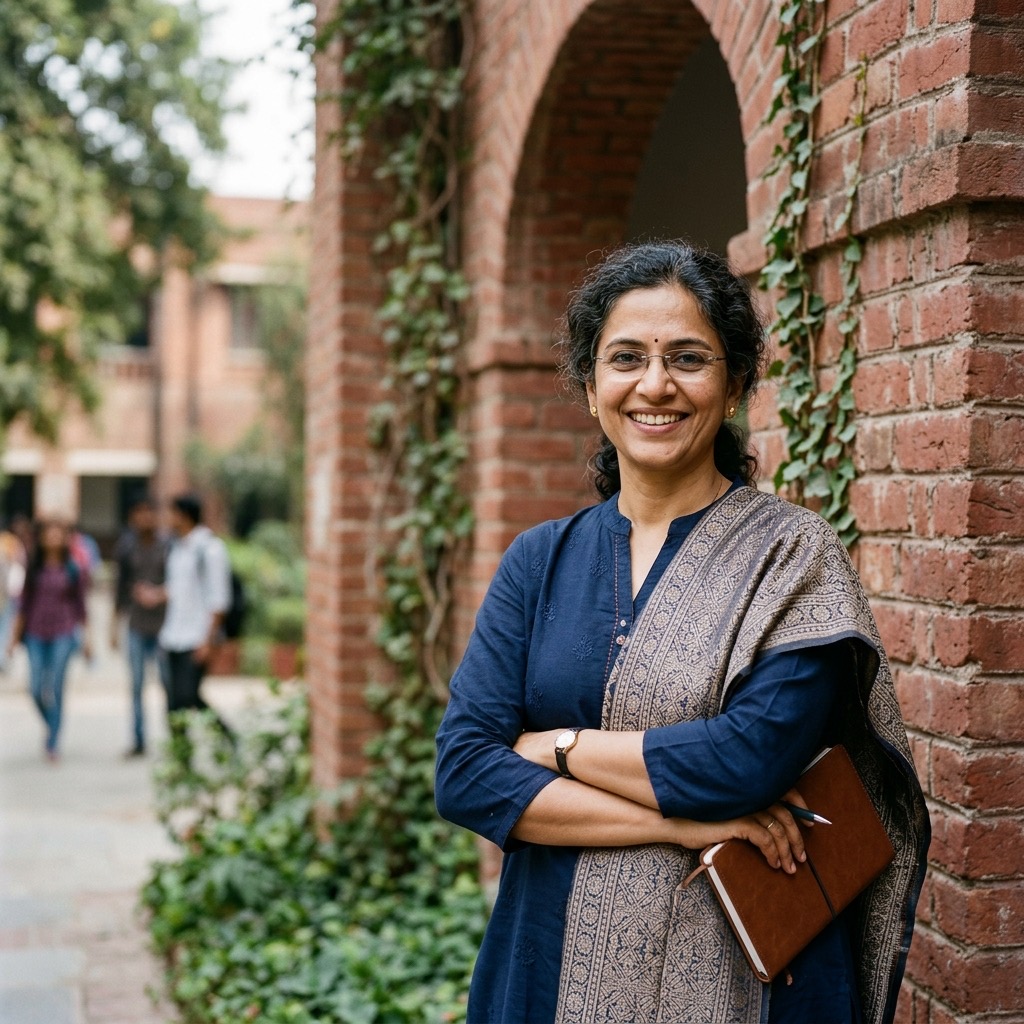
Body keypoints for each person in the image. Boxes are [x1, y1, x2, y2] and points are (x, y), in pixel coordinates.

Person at [435, 241, 930, 1024]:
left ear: (733, 386)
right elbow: (464, 773)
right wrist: (683, 821)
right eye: (626, 358)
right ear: (592, 388)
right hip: (545, 966)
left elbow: (746, 762)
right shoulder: (539, 561)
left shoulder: (792, 555)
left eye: (688, 358)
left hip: (745, 980)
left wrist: (556, 747)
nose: (655, 384)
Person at [8, 519, 90, 761]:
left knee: (55, 687)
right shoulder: (33, 568)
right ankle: (50, 722)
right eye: (49, 533)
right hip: (35, 632)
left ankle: (52, 741)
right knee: (34, 688)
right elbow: (22, 605)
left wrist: (88, 639)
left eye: (59, 533)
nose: (54, 538)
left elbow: (81, 607)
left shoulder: (73, 568)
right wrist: (12, 638)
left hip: (63, 632)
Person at [150, 494, 232, 736]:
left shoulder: (210, 549)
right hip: (172, 635)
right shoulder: (177, 549)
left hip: (196, 637)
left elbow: (219, 599)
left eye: (172, 513)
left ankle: (227, 739)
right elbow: (177, 589)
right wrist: (156, 595)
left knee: (189, 696)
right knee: (173, 701)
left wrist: (208, 640)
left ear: (183, 516)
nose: (168, 520)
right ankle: (180, 757)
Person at [111, 496, 170, 757]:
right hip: (136, 624)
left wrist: (159, 594)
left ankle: (174, 739)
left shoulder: (168, 546)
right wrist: (113, 626)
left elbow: (180, 583)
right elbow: (119, 589)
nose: (144, 518)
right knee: (136, 685)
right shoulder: (126, 547)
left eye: (149, 512)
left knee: (167, 684)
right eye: (139, 513)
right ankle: (138, 739)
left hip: (164, 626)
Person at [0, 521, 27, 672]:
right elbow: (20, 567)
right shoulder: (14, 544)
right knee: (5, 626)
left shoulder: (6, 542)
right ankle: (2, 659)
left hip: (6, 593)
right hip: (8, 593)